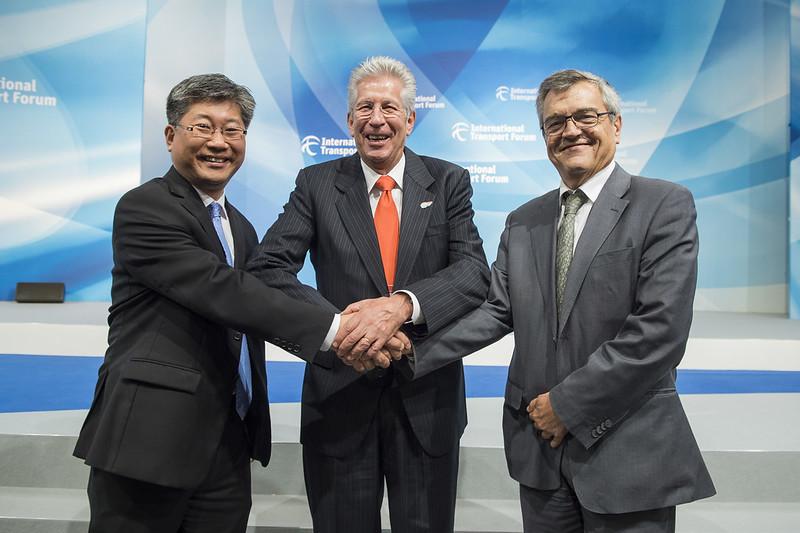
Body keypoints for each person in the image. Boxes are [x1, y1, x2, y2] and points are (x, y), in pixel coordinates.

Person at [405, 69, 715, 532]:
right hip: (540, 454)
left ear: (616, 124)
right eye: (555, 122)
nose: (570, 130)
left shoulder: (663, 205)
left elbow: (659, 331)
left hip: (626, 448)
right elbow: (496, 310)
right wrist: (407, 352)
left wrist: (567, 406)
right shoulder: (524, 220)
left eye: (585, 115)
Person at [72, 73, 382, 533]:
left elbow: (267, 299)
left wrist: (363, 332)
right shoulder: (145, 208)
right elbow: (226, 292)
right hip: (149, 440)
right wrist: (341, 332)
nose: (219, 142)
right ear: (171, 135)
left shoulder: (241, 227)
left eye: (232, 130)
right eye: (203, 127)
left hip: (227, 443)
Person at [247, 56, 490, 532]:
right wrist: (344, 330)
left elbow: (472, 271)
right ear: (349, 120)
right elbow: (267, 268)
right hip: (339, 396)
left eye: (389, 107)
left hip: (426, 400)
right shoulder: (316, 185)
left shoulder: (448, 181)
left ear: (410, 120)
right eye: (365, 107)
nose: (376, 119)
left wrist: (401, 306)